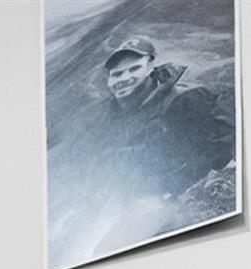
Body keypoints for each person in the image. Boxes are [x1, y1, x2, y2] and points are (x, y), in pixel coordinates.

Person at [89, 33, 234, 205]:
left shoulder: (185, 100)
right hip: (147, 193)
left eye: (134, 69)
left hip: (182, 193)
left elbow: (207, 162)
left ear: (150, 68)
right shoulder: (115, 115)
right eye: (117, 74)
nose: (124, 79)